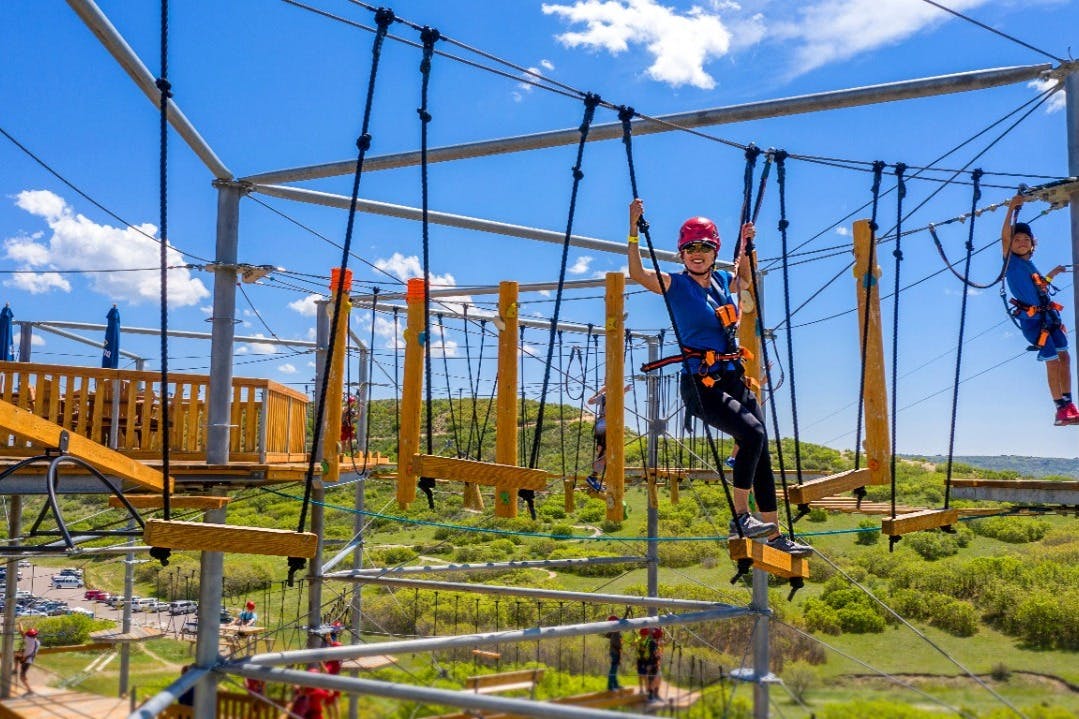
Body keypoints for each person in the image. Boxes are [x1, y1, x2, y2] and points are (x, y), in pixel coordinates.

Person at [627, 198, 811, 556]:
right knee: (753, 432)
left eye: (705, 247)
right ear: (682, 253)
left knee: (761, 452)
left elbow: (745, 278)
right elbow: (638, 274)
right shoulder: (674, 284)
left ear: (714, 252)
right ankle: (741, 517)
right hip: (701, 384)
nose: (698, 253)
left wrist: (749, 245)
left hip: (731, 377)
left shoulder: (724, 280)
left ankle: (773, 535)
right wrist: (633, 230)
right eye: (691, 248)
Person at [1001, 194, 1079, 425]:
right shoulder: (1011, 262)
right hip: (1034, 321)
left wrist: (1052, 274)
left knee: (1065, 357)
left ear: (1033, 243)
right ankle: (1059, 408)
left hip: (1050, 316)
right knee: (1052, 360)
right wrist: (1011, 209)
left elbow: (1038, 286)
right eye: (1017, 240)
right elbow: (1005, 237)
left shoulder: (1029, 265)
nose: (1021, 242)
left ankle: (1069, 402)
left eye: (1026, 239)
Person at [585, 384, 633, 491]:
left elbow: (590, 401)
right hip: (606, 424)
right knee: (604, 453)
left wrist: (601, 391)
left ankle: (594, 476)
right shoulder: (607, 396)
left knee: (605, 453)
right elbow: (591, 401)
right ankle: (593, 477)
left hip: (603, 425)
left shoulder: (604, 396)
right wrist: (623, 390)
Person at [603, 609, 630, 691]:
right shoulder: (615, 630)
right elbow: (622, 621)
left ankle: (615, 685)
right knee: (613, 670)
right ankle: (610, 687)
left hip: (615, 652)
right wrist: (627, 612)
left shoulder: (613, 631)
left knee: (614, 670)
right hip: (615, 652)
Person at [16, 626, 39, 695]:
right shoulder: (37, 642)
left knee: (22, 677)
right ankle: (16, 670)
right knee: (16, 657)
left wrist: (20, 624)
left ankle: (30, 690)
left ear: (29, 636)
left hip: (26, 661)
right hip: (29, 659)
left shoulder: (29, 640)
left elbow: (21, 631)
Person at [646, 627, 664, 702]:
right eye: (660, 636)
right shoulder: (652, 643)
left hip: (655, 664)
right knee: (652, 680)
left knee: (658, 678)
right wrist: (658, 655)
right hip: (652, 664)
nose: (661, 638)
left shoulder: (655, 643)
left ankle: (655, 694)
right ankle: (650, 696)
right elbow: (652, 655)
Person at [634, 628, 652, 697]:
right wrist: (635, 643)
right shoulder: (639, 638)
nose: (642, 636)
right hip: (639, 660)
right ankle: (641, 689)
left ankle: (647, 690)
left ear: (645, 635)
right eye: (641, 635)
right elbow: (636, 641)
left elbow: (649, 651)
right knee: (640, 676)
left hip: (646, 660)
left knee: (645, 676)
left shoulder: (648, 641)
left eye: (643, 635)